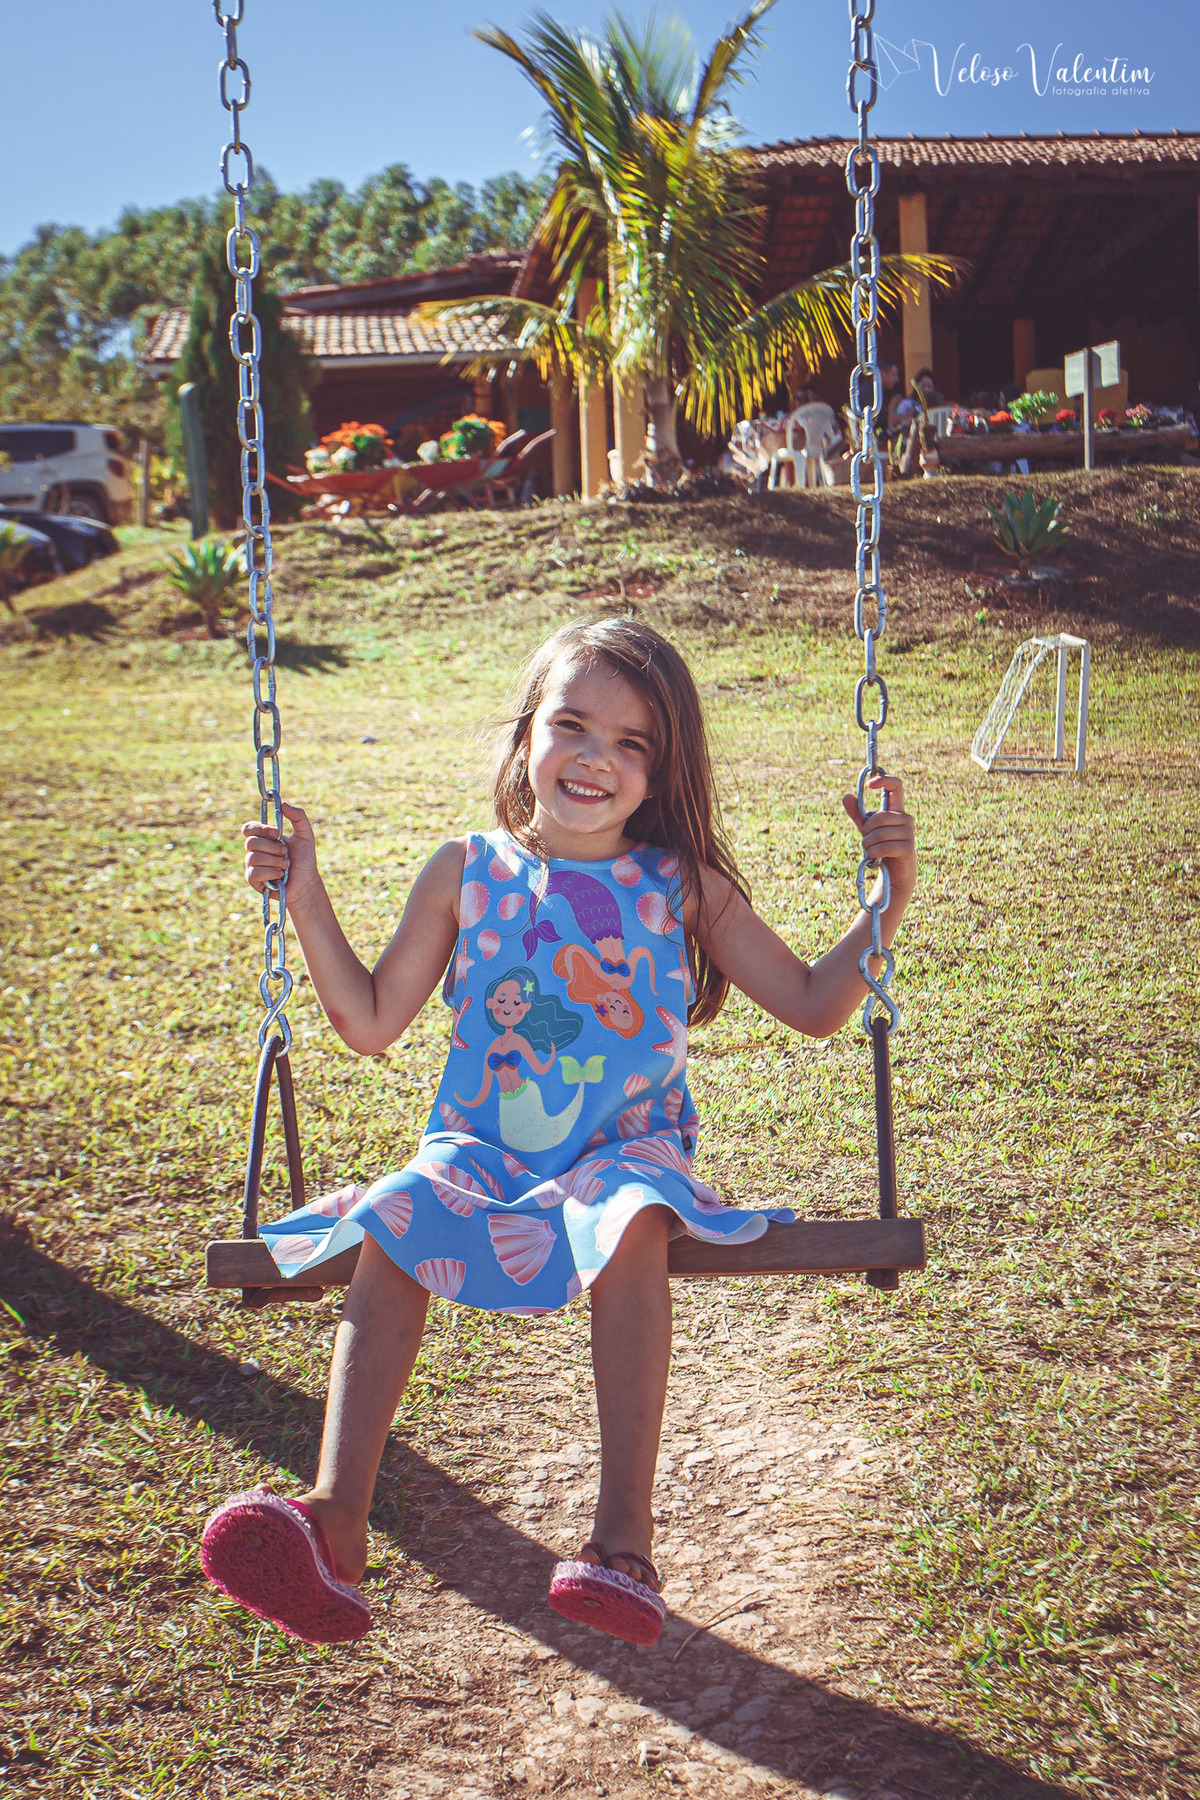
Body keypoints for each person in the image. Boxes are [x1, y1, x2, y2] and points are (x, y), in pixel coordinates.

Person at [200, 617, 917, 1649]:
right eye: (574, 725)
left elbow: (811, 1002)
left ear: (661, 771)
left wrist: (889, 900)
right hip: (479, 1149)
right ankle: (332, 1525)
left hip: (625, 1151)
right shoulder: (465, 869)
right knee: (404, 1207)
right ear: (524, 734)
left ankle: (623, 1547)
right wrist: (303, 890)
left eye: (633, 743)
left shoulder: (682, 886)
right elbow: (366, 1023)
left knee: (631, 1216)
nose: (597, 758)